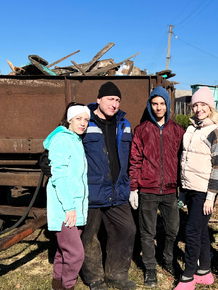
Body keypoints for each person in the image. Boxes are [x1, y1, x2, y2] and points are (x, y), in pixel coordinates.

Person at [80, 81, 137, 290]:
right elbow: (64, 139)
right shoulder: (84, 121)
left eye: (117, 100)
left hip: (117, 190)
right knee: (88, 235)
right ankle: (94, 278)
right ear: (99, 100)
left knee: (127, 229)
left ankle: (116, 274)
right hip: (92, 190)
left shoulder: (124, 123)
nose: (114, 104)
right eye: (110, 99)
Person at [128, 86, 185, 287]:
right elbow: (135, 160)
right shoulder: (142, 130)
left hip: (170, 190)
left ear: (167, 105)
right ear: (149, 105)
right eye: (154, 103)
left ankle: (168, 260)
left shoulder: (177, 130)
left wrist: (183, 189)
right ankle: (150, 268)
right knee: (147, 232)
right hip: (148, 190)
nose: (158, 108)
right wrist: (134, 187)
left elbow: (183, 161)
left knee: (172, 230)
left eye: (162, 104)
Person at [174, 87, 218, 290]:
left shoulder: (216, 131)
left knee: (192, 232)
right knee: (201, 230)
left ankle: (187, 278)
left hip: (204, 190)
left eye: (203, 105)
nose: (198, 109)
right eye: (195, 105)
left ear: (210, 107)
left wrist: (210, 197)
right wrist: (183, 189)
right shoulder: (192, 128)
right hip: (190, 187)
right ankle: (204, 271)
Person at [43, 102, 90, 290]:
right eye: (78, 118)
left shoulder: (75, 140)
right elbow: (59, 176)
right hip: (65, 207)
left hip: (74, 206)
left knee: (64, 251)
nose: (83, 123)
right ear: (69, 119)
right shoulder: (62, 140)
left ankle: (58, 284)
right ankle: (67, 286)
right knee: (76, 253)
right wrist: (69, 207)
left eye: (86, 119)